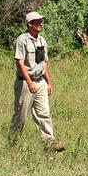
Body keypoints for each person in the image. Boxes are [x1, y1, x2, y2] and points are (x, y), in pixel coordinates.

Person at [10, 11, 64, 151]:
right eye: (37, 21)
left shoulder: (42, 40)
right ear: (30, 24)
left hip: (40, 82)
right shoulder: (22, 40)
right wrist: (29, 83)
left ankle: (50, 144)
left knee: (44, 114)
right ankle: (12, 146)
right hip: (25, 83)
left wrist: (48, 83)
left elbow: (43, 63)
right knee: (21, 116)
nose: (41, 24)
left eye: (41, 21)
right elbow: (20, 63)